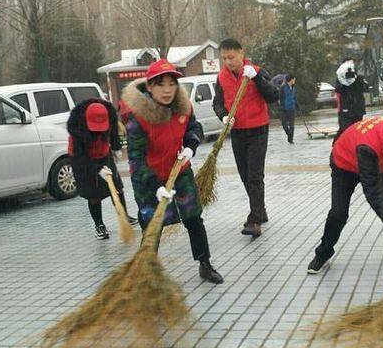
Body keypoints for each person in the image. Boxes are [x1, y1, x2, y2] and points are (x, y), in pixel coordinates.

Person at [120, 59, 223, 284]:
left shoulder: (183, 107)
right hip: (149, 178)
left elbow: (194, 128)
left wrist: (190, 147)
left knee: (193, 217)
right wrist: (155, 187)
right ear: (149, 87)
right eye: (160, 84)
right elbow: (136, 159)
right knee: (152, 225)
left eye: (171, 84)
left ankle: (205, 264)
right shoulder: (138, 117)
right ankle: (148, 275)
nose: (167, 90)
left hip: (180, 171)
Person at [307, 115, 383, 274]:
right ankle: (323, 253)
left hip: (376, 159)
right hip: (345, 165)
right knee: (338, 213)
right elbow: (374, 195)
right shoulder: (367, 148)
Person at [212, 38, 280, 238]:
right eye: (224, 58)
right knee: (244, 175)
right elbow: (217, 103)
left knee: (254, 176)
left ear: (242, 53)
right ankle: (261, 210)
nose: (229, 61)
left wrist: (257, 78)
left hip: (258, 130)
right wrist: (224, 115)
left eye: (232, 57)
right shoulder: (221, 77)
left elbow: (273, 96)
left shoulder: (256, 71)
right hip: (238, 132)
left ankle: (255, 220)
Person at [67, 98, 137, 240]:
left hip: (104, 155)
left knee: (117, 188)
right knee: (94, 194)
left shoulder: (110, 118)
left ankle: (123, 216)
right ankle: (99, 225)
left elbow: (114, 136)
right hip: (83, 160)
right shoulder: (77, 132)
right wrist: (97, 170)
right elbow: (81, 159)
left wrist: (116, 149)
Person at [333, 58, 368, 140]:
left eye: (351, 64)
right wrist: (343, 81)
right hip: (346, 111)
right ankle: (337, 146)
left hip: (358, 110)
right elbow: (338, 90)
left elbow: (365, 88)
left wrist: (356, 79)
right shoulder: (340, 80)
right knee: (345, 131)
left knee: (358, 131)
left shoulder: (358, 78)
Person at [279, 74, 298, 144]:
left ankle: (291, 140)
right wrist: (282, 107)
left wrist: (297, 106)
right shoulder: (283, 87)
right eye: (294, 79)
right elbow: (280, 98)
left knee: (292, 125)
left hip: (292, 109)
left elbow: (294, 98)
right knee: (284, 125)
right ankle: (289, 135)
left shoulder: (294, 87)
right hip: (284, 109)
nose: (295, 81)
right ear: (291, 79)